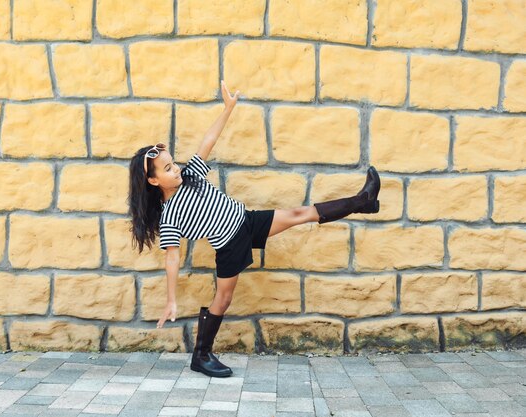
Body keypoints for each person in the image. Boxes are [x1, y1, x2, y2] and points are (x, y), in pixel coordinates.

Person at [128, 80, 381, 378]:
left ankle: (363, 201)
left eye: (174, 163)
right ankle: (201, 355)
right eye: (168, 169)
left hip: (246, 220)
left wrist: (228, 109)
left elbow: (207, 141)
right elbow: (172, 257)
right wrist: (171, 299)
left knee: (300, 213)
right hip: (229, 245)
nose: (176, 169)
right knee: (222, 299)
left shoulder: (192, 175)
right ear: (154, 181)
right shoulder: (170, 215)